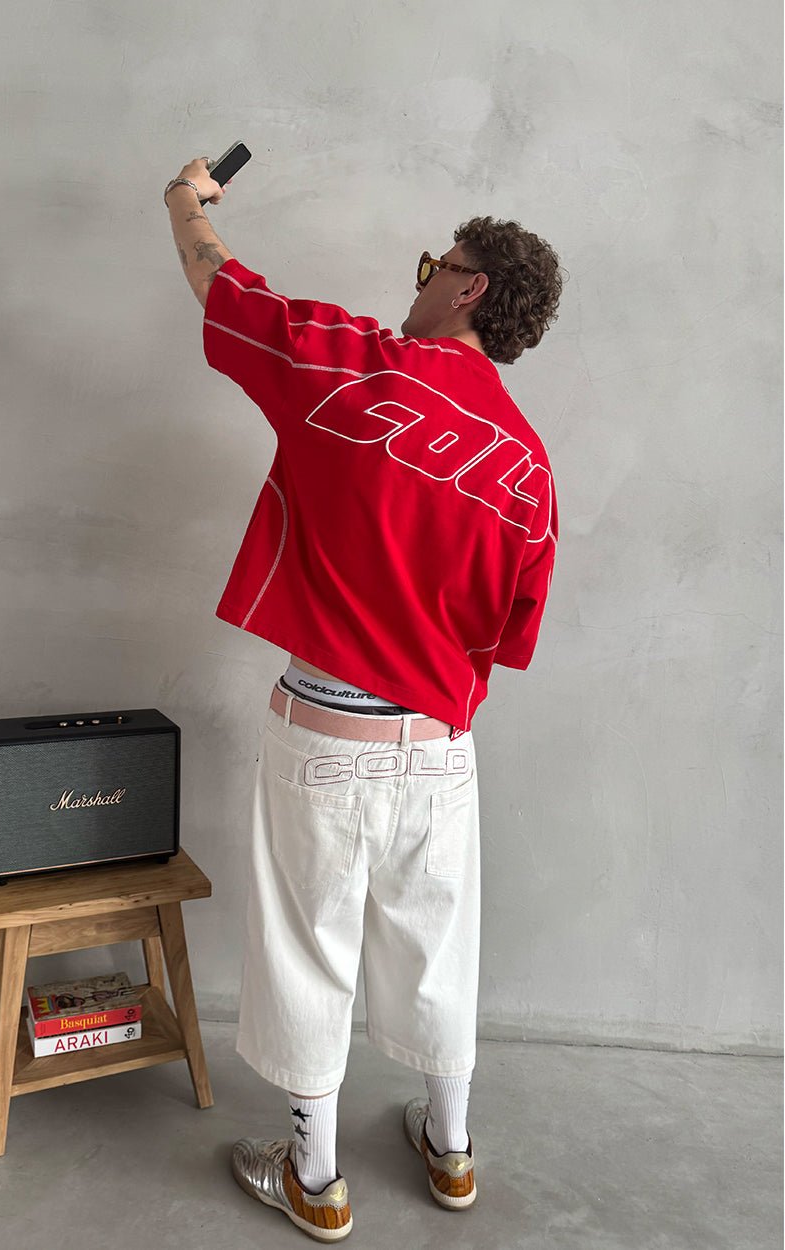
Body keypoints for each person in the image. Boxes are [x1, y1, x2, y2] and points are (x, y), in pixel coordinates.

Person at [165, 158, 563, 1242]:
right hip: (439, 742)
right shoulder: (529, 466)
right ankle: (451, 1150)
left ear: (470, 287)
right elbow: (507, 635)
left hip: (327, 727)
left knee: (309, 945)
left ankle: (316, 1177)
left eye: (437, 266)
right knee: (439, 944)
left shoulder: (357, 368)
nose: (420, 280)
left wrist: (186, 202)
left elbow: (226, 291)